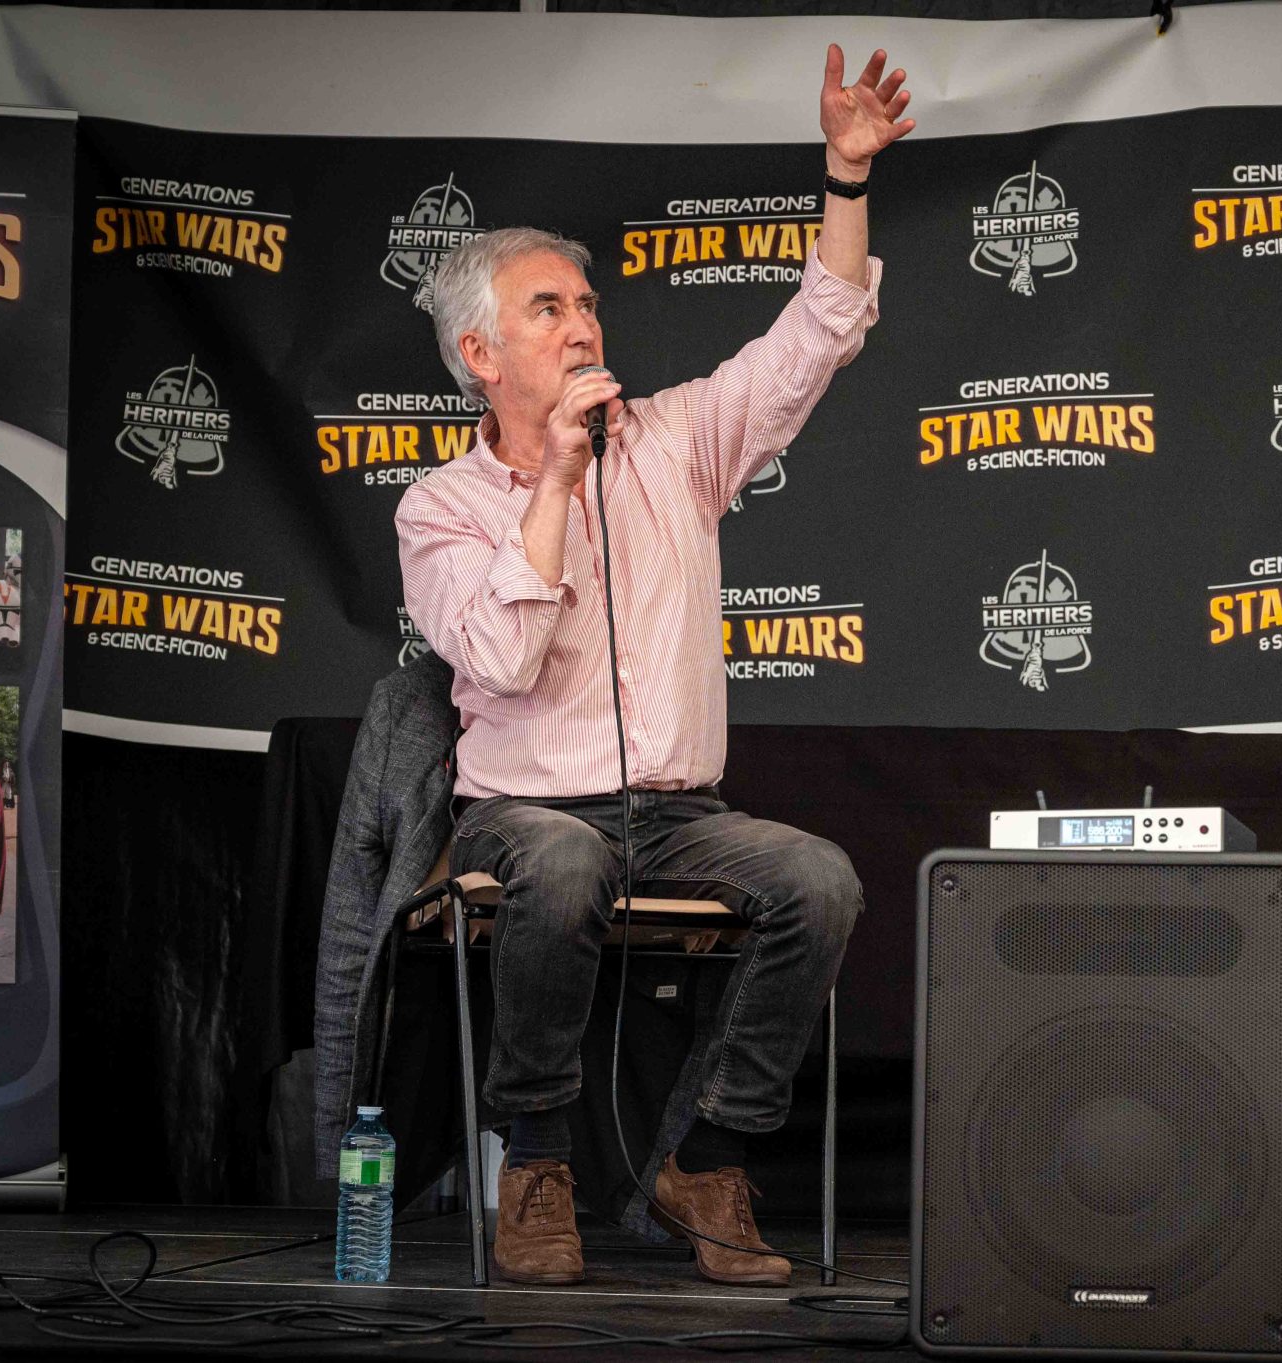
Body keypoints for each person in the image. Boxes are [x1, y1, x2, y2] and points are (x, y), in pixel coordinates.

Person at [394, 46, 913, 1288]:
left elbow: (816, 334)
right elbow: (503, 655)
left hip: (679, 817)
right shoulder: (440, 507)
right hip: (522, 814)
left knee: (818, 879)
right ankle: (534, 1160)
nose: (583, 323)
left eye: (585, 304)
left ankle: (706, 1157)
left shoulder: (677, 441)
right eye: (547, 309)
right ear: (480, 353)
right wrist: (558, 480)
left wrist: (844, 178)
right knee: (566, 859)